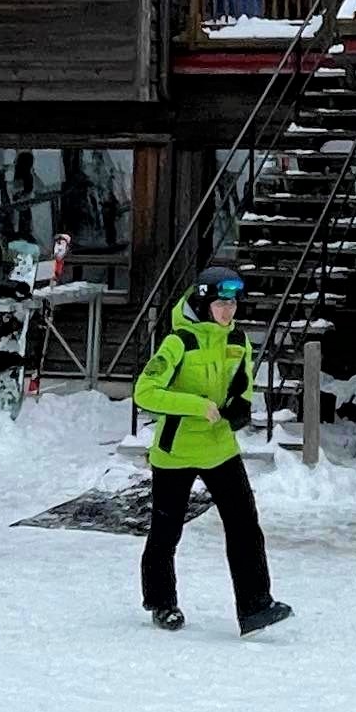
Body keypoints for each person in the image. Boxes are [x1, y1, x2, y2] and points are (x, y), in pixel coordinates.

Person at [131, 272, 290, 634]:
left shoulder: (238, 339)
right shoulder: (179, 342)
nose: (228, 310)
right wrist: (195, 405)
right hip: (177, 450)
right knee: (166, 531)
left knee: (245, 526)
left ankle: (255, 606)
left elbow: (243, 385)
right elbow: (145, 392)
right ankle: (161, 601)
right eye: (220, 303)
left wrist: (241, 408)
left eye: (232, 303)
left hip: (220, 448)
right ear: (204, 305)